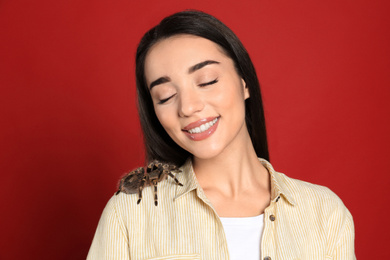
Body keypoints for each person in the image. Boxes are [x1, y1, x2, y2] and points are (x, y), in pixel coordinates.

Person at [87, 10, 355, 260]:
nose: (188, 107)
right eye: (165, 96)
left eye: (207, 81)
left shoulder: (324, 212)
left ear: (244, 82)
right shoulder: (130, 212)